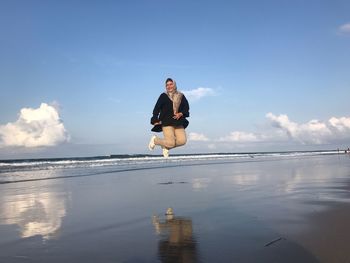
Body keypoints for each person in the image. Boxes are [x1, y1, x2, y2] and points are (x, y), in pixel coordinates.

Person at [148, 78, 190, 158]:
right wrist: (154, 118)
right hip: (166, 121)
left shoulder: (180, 95)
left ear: (174, 85)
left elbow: (186, 106)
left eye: (171, 84)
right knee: (171, 143)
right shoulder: (163, 96)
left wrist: (181, 113)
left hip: (178, 121)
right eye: (167, 85)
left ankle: (165, 146)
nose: (169, 86)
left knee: (182, 141)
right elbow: (156, 108)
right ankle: (155, 140)